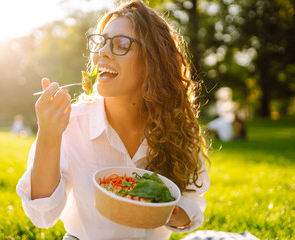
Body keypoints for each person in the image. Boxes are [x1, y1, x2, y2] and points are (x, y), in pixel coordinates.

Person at [16, 1, 210, 239]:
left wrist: (162, 209)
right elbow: (42, 216)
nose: (102, 53)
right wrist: (48, 135)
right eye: (100, 43)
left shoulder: (177, 126)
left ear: (153, 62)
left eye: (121, 45)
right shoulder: (72, 124)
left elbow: (192, 201)